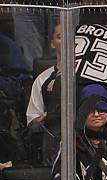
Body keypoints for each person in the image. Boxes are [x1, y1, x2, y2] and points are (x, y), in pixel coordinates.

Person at [26, 22, 62, 167]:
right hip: (54, 140)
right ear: (52, 43)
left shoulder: (88, 75)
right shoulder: (42, 79)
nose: (66, 41)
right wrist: (44, 118)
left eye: (71, 37)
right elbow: (33, 120)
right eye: (60, 37)